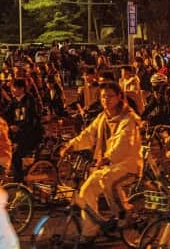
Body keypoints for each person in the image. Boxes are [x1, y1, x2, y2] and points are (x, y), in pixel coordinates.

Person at [60, 82, 143, 239]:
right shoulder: (102, 118)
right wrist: (71, 145)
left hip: (128, 164)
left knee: (108, 181)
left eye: (110, 96)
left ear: (119, 97)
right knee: (85, 191)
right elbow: (88, 134)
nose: (106, 100)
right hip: (106, 165)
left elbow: (123, 142)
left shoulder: (128, 119)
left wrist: (107, 158)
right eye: (103, 96)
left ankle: (125, 213)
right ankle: (90, 231)